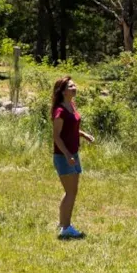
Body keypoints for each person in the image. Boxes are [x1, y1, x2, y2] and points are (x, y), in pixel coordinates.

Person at [51, 76, 94, 239]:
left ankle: (63, 222)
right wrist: (68, 155)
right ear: (62, 91)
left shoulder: (71, 105)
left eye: (74, 85)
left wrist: (84, 135)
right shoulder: (60, 111)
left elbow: (72, 127)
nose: (74, 87)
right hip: (64, 156)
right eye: (70, 86)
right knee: (70, 192)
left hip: (73, 154)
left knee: (72, 191)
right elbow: (56, 136)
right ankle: (66, 228)